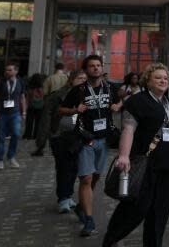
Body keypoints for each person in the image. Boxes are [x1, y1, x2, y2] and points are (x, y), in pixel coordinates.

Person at [103, 63, 169, 247]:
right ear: (148, 80)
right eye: (158, 77)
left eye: (165, 78)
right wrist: (123, 156)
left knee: (160, 211)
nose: (163, 80)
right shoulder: (137, 101)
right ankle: (111, 239)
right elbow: (128, 130)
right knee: (136, 209)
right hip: (145, 165)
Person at [59, 54, 123, 237]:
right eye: (92, 66)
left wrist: (118, 105)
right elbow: (60, 110)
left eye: (98, 65)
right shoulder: (78, 90)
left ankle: (81, 205)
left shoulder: (111, 87)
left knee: (95, 177)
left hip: (104, 140)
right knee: (86, 179)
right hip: (85, 140)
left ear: (102, 68)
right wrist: (74, 110)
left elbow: (124, 98)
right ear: (86, 70)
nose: (96, 68)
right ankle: (89, 219)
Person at [42, 69, 87, 213]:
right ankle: (62, 198)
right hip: (59, 136)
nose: (83, 81)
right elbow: (46, 117)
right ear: (71, 80)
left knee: (74, 168)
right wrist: (44, 138)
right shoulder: (58, 95)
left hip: (77, 136)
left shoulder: (85, 96)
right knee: (63, 167)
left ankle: (68, 196)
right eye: (80, 78)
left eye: (85, 79)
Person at [0, 62, 26, 169]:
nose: (7, 72)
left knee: (16, 134)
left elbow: (22, 98)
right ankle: (0, 160)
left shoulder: (20, 82)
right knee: (0, 137)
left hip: (15, 114)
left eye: (10, 70)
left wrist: (24, 112)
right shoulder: (1, 82)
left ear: (16, 71)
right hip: (2, 114)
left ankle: (11, 157)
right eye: (6, 70)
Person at [24, 73, 45, 142]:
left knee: (29, 121)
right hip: (40, 106)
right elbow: (44, 96)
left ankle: (28, 135)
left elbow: (27, 97)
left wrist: (25, 107)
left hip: (31, 106)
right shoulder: (42, 87)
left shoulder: (30, 87)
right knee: (38, 122)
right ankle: (36, 135)